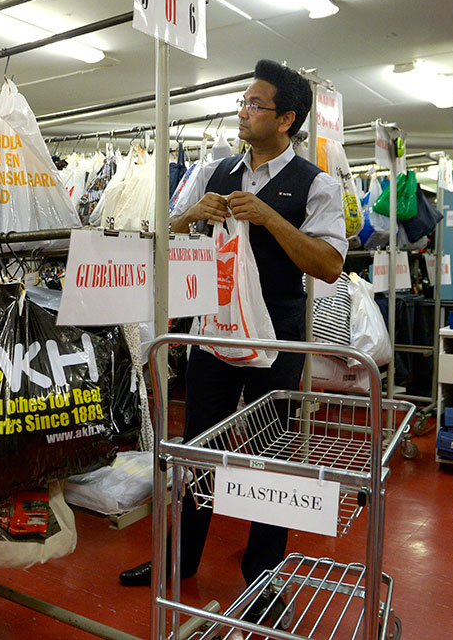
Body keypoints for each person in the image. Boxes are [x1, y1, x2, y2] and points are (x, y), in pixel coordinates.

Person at [118, 60, 348, 619]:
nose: (243, 112)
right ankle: (181, 556)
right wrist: (187, 216)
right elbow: (163, 235)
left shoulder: (318, 184)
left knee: (270, 453)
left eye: (255, 105)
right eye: (242, 103)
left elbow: (330, 265)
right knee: (197, 447)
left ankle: (264, 577)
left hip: (278, 342)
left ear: (287, 118)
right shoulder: (214, 173)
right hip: (215, 334)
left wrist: (272, 219)